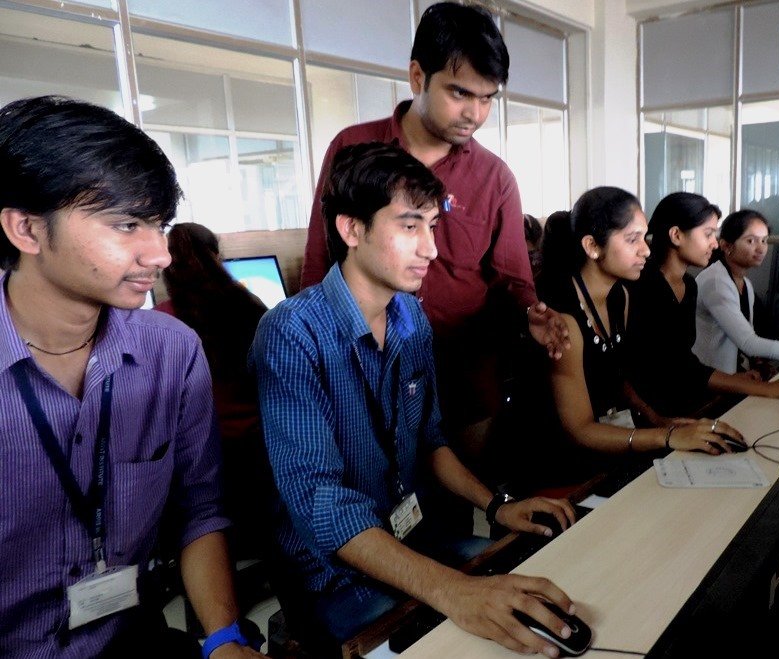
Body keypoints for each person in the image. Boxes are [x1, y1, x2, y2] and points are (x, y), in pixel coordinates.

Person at [250, 142, 578, 656]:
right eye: (409, 226)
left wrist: (498, 506)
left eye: (432, 226)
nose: (431, 248)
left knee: (536, 583)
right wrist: (453, 590)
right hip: (332, 573)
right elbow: (321, 504)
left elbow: (430, 439)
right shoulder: (292, 333)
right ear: (351, 229)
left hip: (413, 537)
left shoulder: (409, 315)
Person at [0, 96, 264, 658]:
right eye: (127, 225)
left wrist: (223, 638)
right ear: (27, 229)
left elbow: (199, 509)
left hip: (131, 639)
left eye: (159, 225)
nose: (160, 254)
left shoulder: (171, 352)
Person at [298, 3, 569, 482]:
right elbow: (320, 260)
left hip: (461, 378)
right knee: (371, 498)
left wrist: (531, 314)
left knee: (456, 502)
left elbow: (512, 280)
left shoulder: (494, 178)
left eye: (488, 98)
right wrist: (315, 352)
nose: (475, 113)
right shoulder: (353, 150)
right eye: (460, 92)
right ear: (418, 76)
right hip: (365, 372)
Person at [538, 187, 744, 477]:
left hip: (606, 444)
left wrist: (658, 420)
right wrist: (666, 436)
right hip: (557, 462)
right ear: (592, 246)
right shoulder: (563, 318)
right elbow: (579, 430)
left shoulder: (619, 297)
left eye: (644, 237)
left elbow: (615, 377)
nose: (646, 250)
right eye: (632, 239)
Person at [628, 193, 779, 421]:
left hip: (684, 402)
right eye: (708, 234)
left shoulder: (689, 285)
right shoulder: (643, 285)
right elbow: (651, 368)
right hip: (657, 414)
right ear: (676, 235)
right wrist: (767, 388)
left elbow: (685, 364)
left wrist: (750, 381)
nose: (714, 243)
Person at [156, 223, 273, 559]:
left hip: (201, 461)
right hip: (260, 453)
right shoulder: (250, 305)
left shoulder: (162, 323)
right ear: (216, 257)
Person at [693, 209, 779, 375]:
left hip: (734, 374)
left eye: (764, 240)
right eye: (751, 241)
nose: (761, 248)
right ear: (726, 246)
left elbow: (746, 337)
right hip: (711, 380)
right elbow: (748, 343)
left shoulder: (745, 284)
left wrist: (758, 363)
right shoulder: (716, 283)